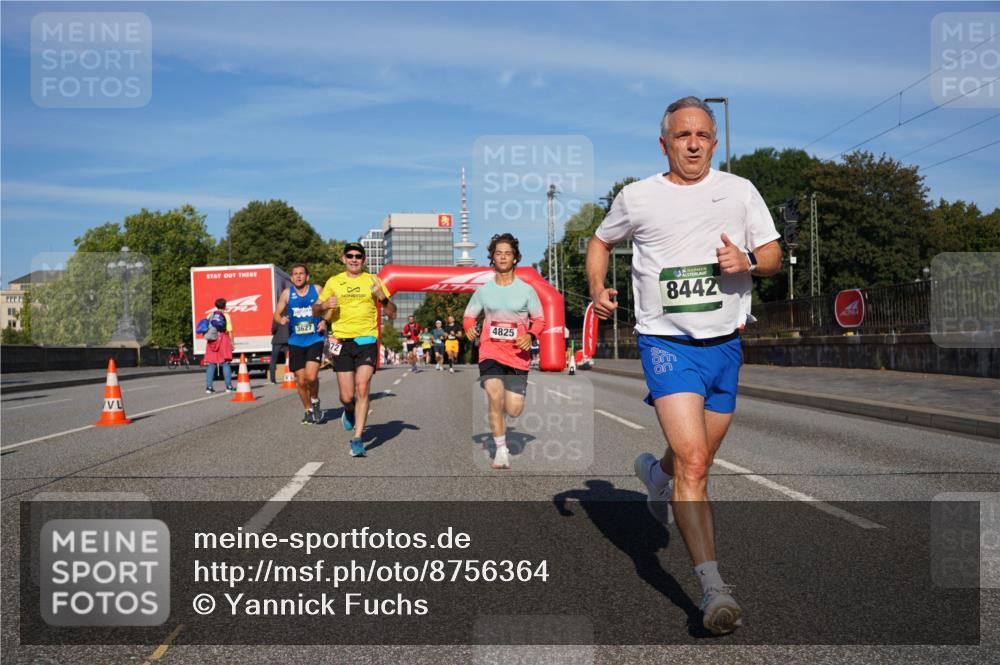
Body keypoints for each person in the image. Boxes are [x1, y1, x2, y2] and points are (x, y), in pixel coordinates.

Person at [586, 96, 781, 636]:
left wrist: (748, 261)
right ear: (664, 143)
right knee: (694, 463)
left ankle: (655, 475)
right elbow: (600, 241)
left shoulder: (740, 191)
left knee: (697, 458)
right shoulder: (637, 197)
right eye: (681, 135)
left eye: (701, 135)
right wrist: (598, 287)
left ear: (714, 142)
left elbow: (771, 255)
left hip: (725, 345)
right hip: (665, 342)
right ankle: (714, 589)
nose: (692, 144)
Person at [464, 233, 545, 470]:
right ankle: (501, 450)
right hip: (490, 351)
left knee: (513, 409)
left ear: (515, 258)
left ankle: (500, 421)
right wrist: (469, 328)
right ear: (492, 257)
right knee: (494, 395)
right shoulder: (483, 291)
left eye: (507, 253)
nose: (502, 257)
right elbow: (469, 316)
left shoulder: (526, 290)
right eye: (498, 253)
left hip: (517, 356)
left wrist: (530, 335)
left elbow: (539, 320)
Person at [314, 242, 397, 457]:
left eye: (358, 256)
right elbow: (315, 309)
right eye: (350, 256)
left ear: (364, 260)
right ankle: (349, 410)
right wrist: (324, 305)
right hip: (341, 341)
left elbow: (393, 313)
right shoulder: (334, 281)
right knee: (346, 396)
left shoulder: (373, 280)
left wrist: (382, 297)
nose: (354, 259)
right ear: (343, 259)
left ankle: (358, 439)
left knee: (362, 388)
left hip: (366, 340)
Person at [274, 264, 327, 425]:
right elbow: (276, 313)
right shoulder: (287, 293)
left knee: (311, 377)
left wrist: (324, 321)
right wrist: (281, 320)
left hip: (315, 339)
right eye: (295, 274)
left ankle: (315, 400)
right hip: (295, 341)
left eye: (301, 273)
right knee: (301, 380)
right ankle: (308, 409)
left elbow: (331, 306)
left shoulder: (317, 289)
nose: (298, 276)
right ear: (291, 278)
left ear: (307, 277)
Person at [204, 298, 235, 394]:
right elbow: (230, 330)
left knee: (211, 363)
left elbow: (206, 328)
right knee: (225, 363)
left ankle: (209, 387)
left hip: (212, 340)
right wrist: (232, 343)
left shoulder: (210, 315)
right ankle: (229, 387)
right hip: (223, 339)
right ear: (224, 306)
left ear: (216, 305)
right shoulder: (226, 315)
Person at [268, 316, 290, 384]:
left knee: (273, 360)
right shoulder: (289, 315)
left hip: (277, 340)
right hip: (287, 340)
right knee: (289, 359)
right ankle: (291, 377)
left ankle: (273, 379)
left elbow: (274, 329)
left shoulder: (276, 316)